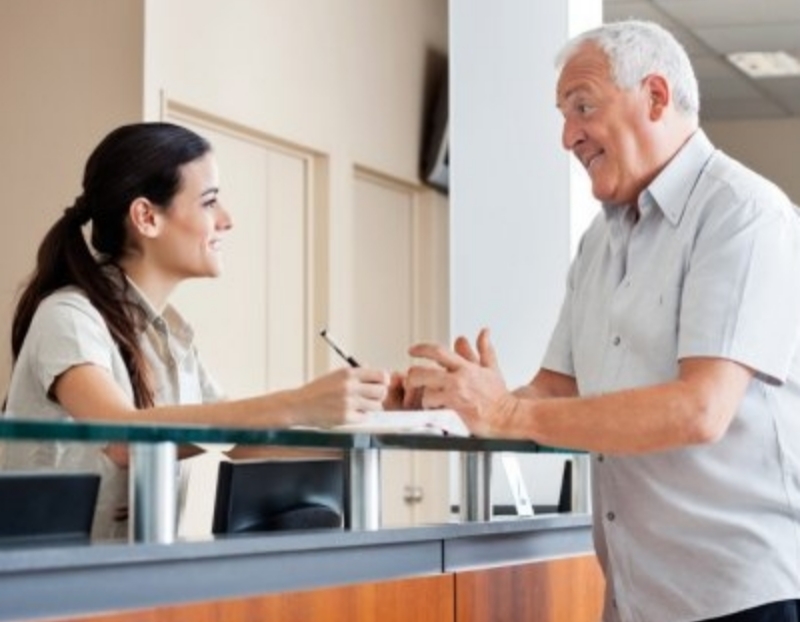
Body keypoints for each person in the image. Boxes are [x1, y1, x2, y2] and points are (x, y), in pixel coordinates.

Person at [406, 20, 800, 622]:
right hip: (635, 595)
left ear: (656, 97)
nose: (568, 136)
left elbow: (701, 409)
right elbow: (553, 391)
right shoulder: (600, 241)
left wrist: (508, 413)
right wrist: (460, 401)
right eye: (563, 115)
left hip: (740, 596)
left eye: (583, 107)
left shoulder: (743, 215)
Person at [1, 122, 394, 541]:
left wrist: (375, 422)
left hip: (126, 579)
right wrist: (299, 403)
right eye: (209, 202)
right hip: (42, 589)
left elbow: (239, 440)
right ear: (146, 217)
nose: (227, 220)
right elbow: (123, 438)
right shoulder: (67, 317)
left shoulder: (172, 338)